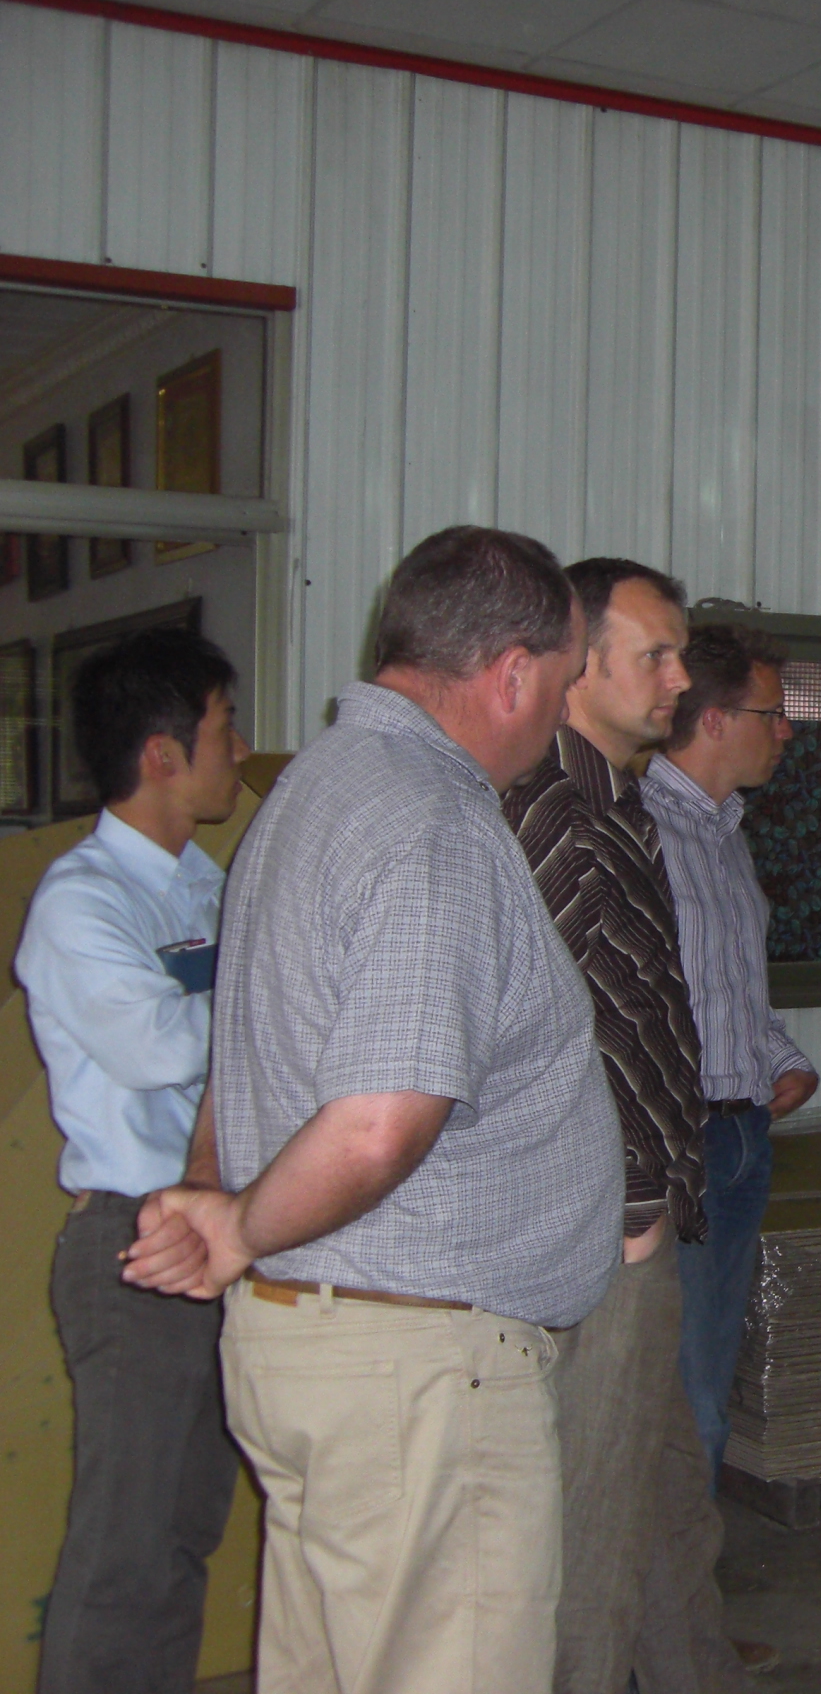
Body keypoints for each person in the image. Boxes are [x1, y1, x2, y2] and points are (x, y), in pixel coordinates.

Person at [122, 525, 623, 1694]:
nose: (558, 720)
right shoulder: (431, 820)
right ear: (511, 674)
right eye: (561, 688)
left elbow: (249, 1052)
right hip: (419, 1370)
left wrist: (211, 1196)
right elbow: (379, 1123)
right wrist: (235, 1225)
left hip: (316, 1343)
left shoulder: (306, 794)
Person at [501, 559, 764, 1691]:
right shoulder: (547, 813)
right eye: (654, 655)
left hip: (647, 1207)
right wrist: (632, 1208)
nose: (677, 679)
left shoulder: (619, 804)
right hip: (604, 1228)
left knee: (666, 1517)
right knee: (595, 1543)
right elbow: (556, 1045)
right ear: (577, 661)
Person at [20, 628, 248, 1694]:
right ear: (162, 754)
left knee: (183, 1530)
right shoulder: (83, 898)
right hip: (133, 1243)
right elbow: (157, 1046)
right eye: (223, 727)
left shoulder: (205, 884)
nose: (237, 750)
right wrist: (270, 998)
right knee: (126, 1549)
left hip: (215, 1232)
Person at [642, 624, 820, 1487]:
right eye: (771, 713)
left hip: (743, 1134)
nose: (785, 732)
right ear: (712, 719)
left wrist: (780, 1055)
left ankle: (688, 1564)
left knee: (708, 1376)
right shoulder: (635, 829)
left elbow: (725, 985)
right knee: (679, 1391)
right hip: (678, 1143)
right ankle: (662, 1571)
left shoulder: (725, 831)